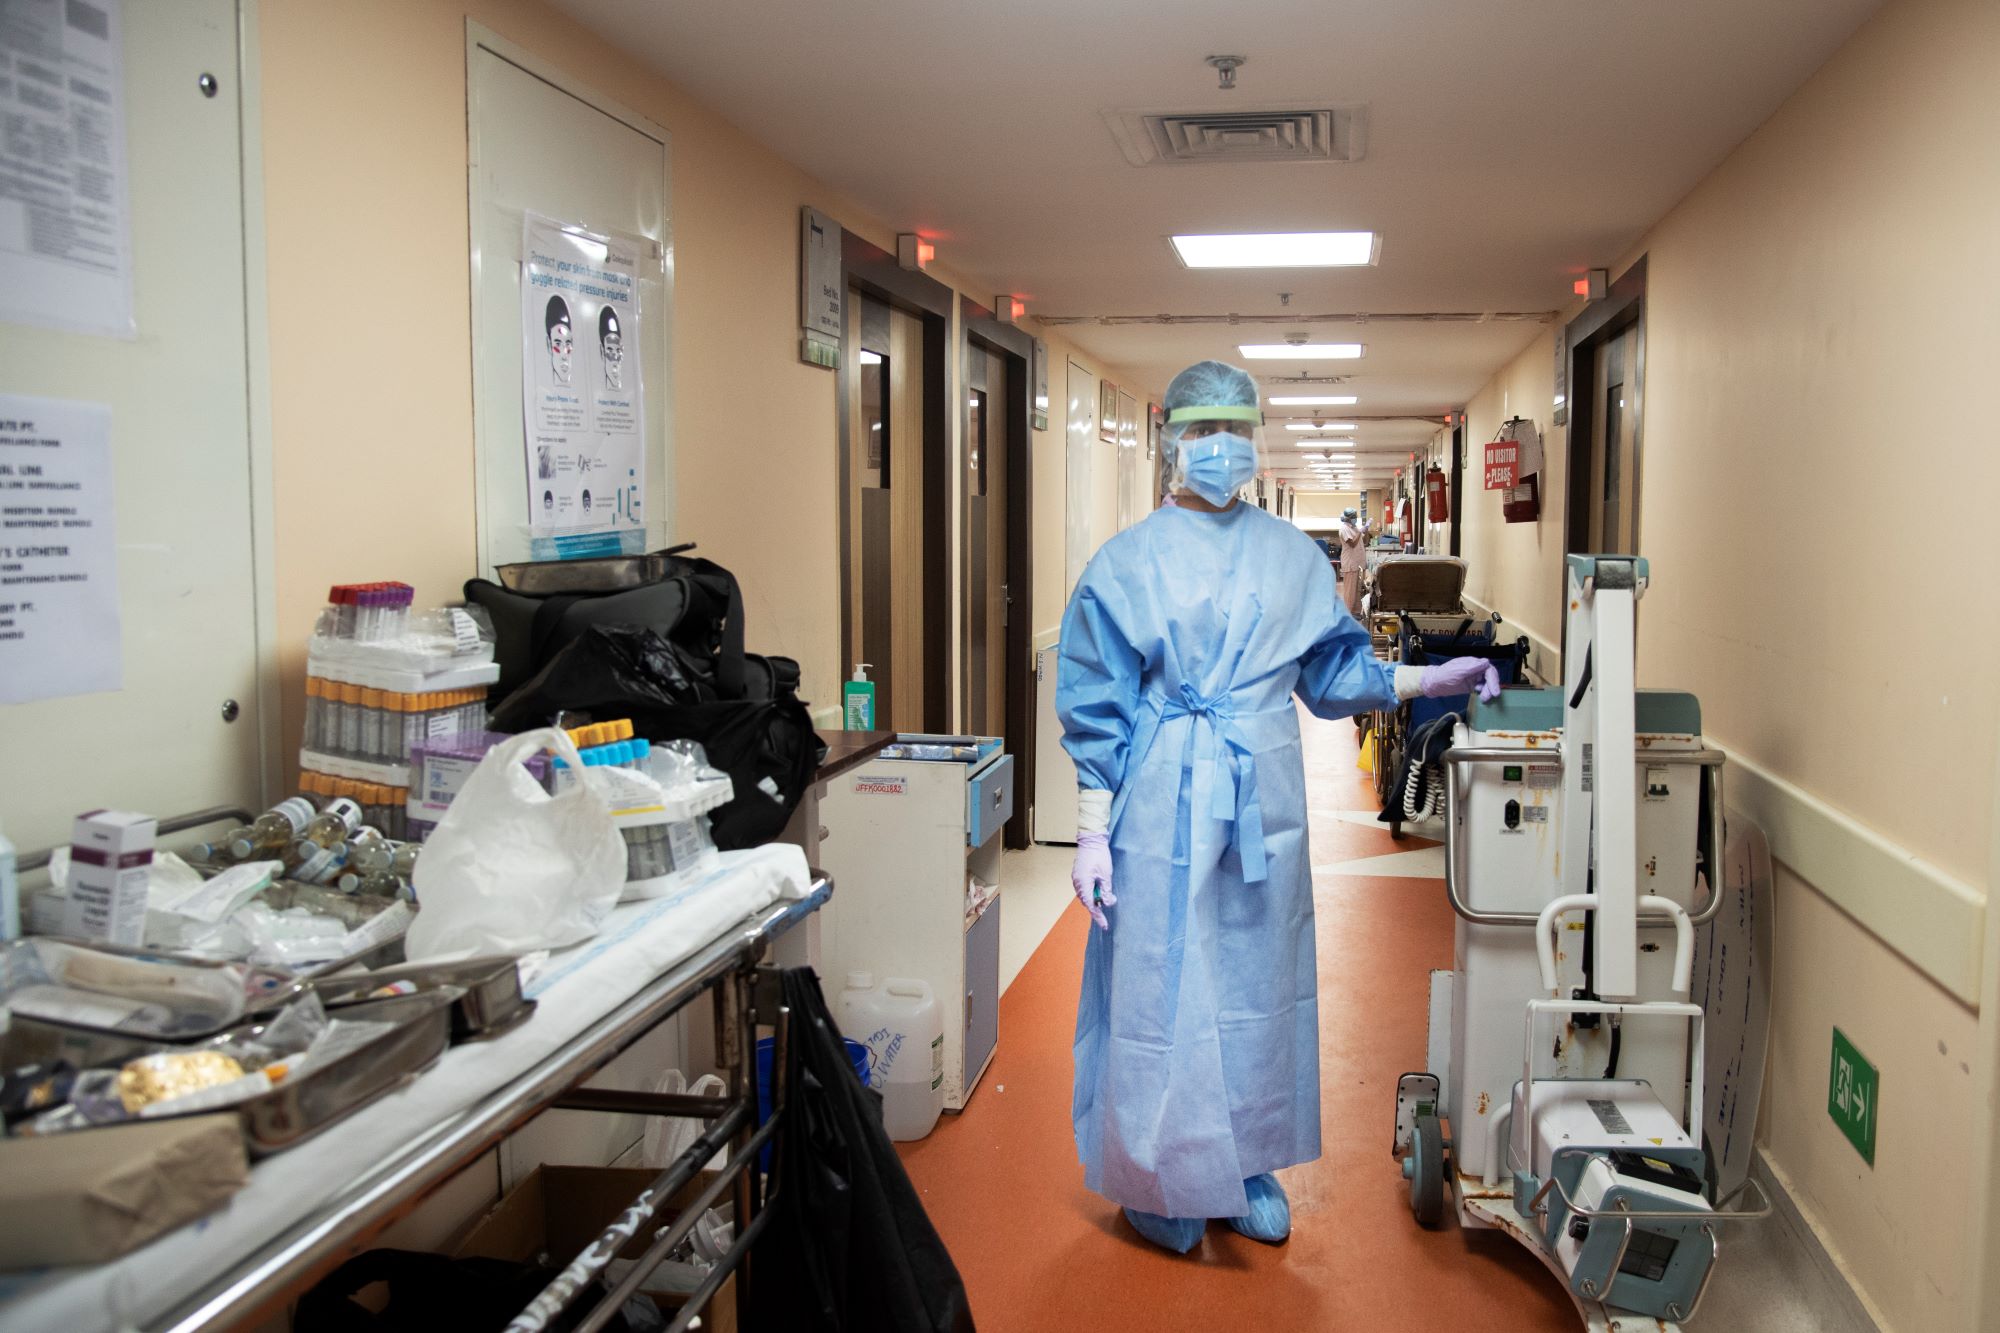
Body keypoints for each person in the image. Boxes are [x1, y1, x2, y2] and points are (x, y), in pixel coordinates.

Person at [1056, 360, 1498, 1255]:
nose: (1219, 448)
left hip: (1263, 797)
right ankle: (1157, 1176)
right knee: (1159, 986)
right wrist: (1093, 832)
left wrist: (1422, 676)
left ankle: (1247, 1161)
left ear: (1255, 443)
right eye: (1202, 431)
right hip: (1159, 799)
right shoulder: (1126, 562)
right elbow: (1097, 699)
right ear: (1172, 442)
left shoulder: (1294, 557)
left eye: (1236, 430)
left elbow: (1334, 676)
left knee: (1259, 984)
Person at [1337, 507, 1369, 617]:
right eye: (1354, 517)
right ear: (1348, 518)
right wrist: (1360, 532)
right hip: (1350, 563)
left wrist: (1366, 530)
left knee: (1357, 590)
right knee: (1350, 591)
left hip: (1357, 563)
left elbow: (1363, 541)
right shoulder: (1344, 529)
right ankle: (1347, 614)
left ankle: (1355, 611)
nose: (1355, 519)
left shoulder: (1354, 528)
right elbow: (1352, 544)